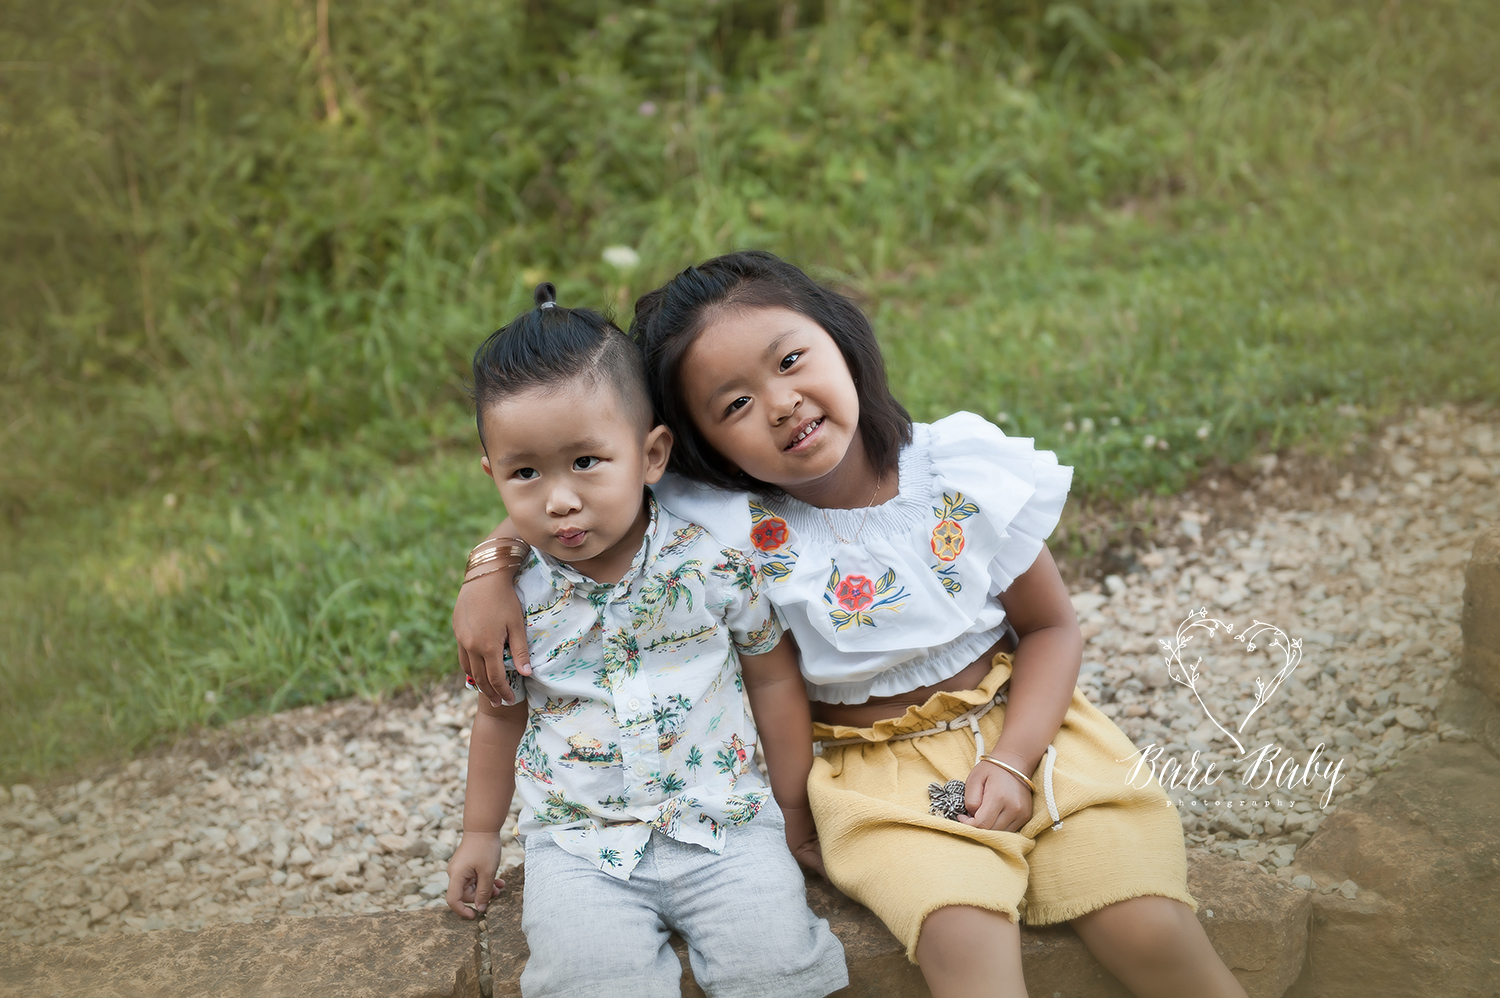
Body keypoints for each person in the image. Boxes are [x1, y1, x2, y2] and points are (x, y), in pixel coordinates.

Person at [455, 255, 1248, 998]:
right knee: (966, 942)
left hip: (1037, 741)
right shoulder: (729, 521)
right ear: (695, 448)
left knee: (1151, 925)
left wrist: (1012, 761)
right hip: (879, 781)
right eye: (734, 405)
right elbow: (577, 480)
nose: (781, 403)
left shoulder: (958, 471)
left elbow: (1052, 630)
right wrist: (488, 570)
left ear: (839, 336)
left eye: (790, 360)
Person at [445, 282, 847, 998]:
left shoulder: (712, 561)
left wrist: (791, 807)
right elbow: (499, 713)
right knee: (586, 981)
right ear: (492, 475)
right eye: (525, 473)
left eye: (587, 463)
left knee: (779, 970)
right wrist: (481, 834)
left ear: (652, 453)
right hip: (579, 847)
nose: (559, 499)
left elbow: (773, 678)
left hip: (725, 825)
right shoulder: (514, 599)